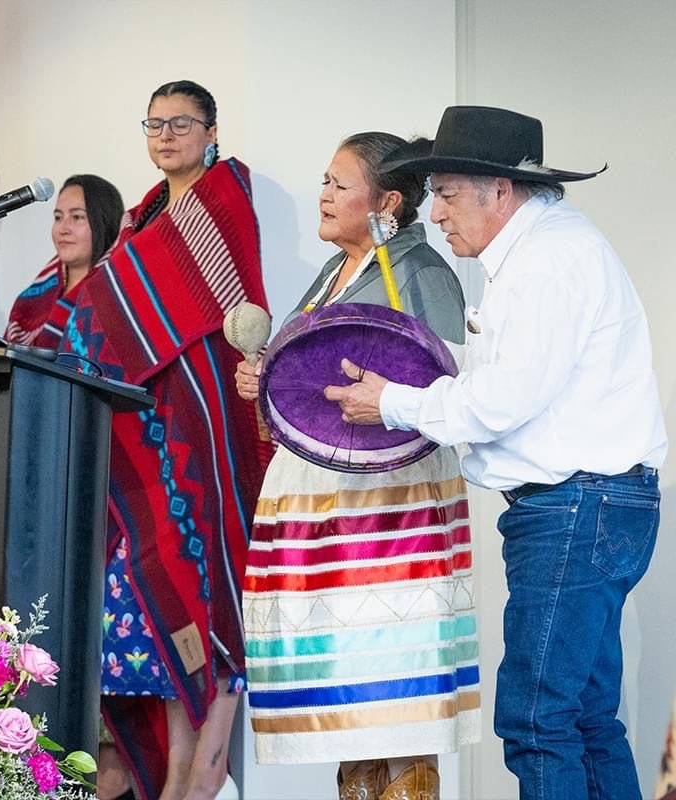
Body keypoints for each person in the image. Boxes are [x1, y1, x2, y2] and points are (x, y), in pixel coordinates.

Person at [324, 105, 667, 800]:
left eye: (447, 193)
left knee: (537, 720)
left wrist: (390, 400)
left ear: (499, 190)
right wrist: (407, 366)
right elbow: (494, 375)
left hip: (575, 510)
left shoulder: (549, 261)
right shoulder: (545, 250)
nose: (437, 213)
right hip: (590, 506)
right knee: (585, 720)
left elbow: (502, 400)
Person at [235, 132, 477, 800]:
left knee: (395, 708)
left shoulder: (422, 273)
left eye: (340, 184)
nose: (325, 194)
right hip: (328, 516)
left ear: (388, 202)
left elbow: (442, 392)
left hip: (388, 526)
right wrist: (270, 382)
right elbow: (316, 388)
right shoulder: (330, 274)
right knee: (352, 716)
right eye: (324, 180)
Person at [57, 80, 270, 800]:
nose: (168, 134)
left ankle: (199, 781)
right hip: (154, 433)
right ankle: (175, 782)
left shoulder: (224, 198)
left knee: (210, 613)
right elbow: (104, 305)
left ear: (212, 129)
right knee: (166, 632)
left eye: (182, 123)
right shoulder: (144, 214)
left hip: (208, 430)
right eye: (156, 123)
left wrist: (100, 298)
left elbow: (127, 301)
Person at [4, 174, 124, 347]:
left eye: (77, 217)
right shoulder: (33, 300)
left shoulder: (116, 296)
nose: (63, 228)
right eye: (58, 218)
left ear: (104, 222)